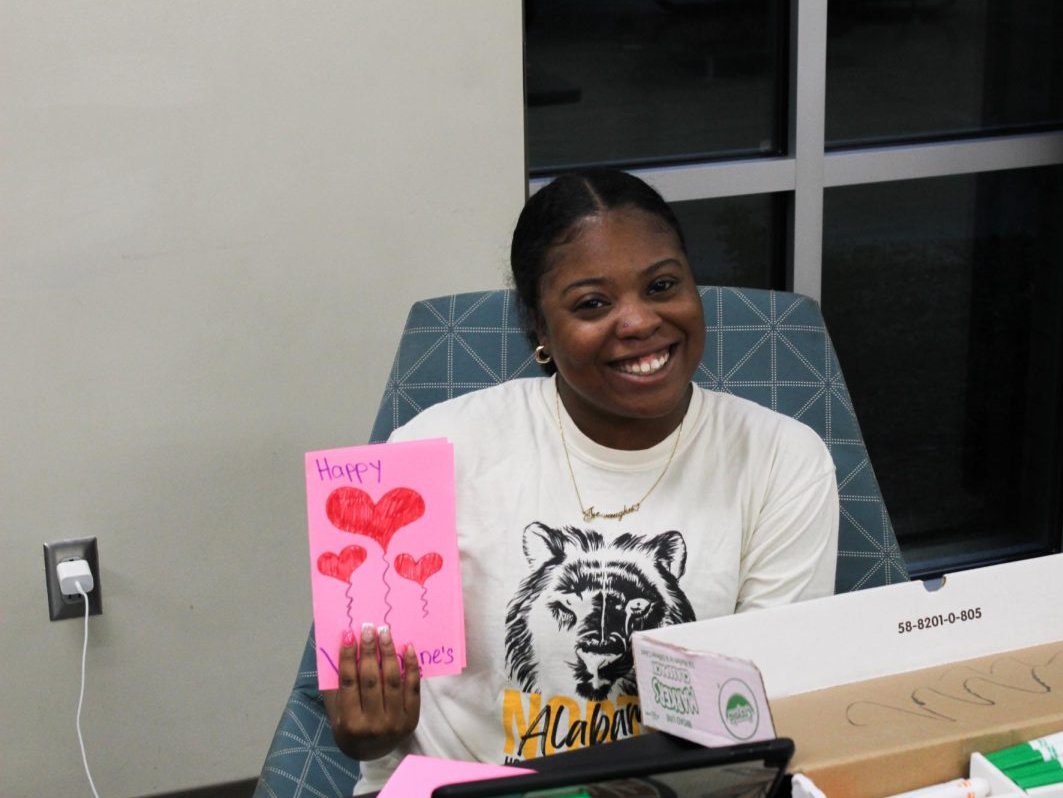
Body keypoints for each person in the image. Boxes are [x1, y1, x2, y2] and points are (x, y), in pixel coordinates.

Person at [323, 169, 839, 794]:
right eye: (593, 303)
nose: (639, 322)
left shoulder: (782, 459)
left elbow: (763, 712)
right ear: (539, 330)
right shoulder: (428, 455)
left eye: (663, 286)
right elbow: (370, 741)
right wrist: (366, 727)